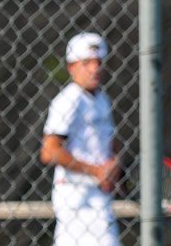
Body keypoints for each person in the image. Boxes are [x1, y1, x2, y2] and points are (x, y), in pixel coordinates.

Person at [40, 32, 121, 246]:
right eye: (86, 63)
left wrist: (114, 164)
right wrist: (96, 172)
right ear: (71, 67)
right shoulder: (68, 100)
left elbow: (110, 143)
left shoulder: (102, 99)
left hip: (99, 197)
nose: (94, 69)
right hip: (76, 198)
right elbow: (49, 151)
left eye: (98, 62)